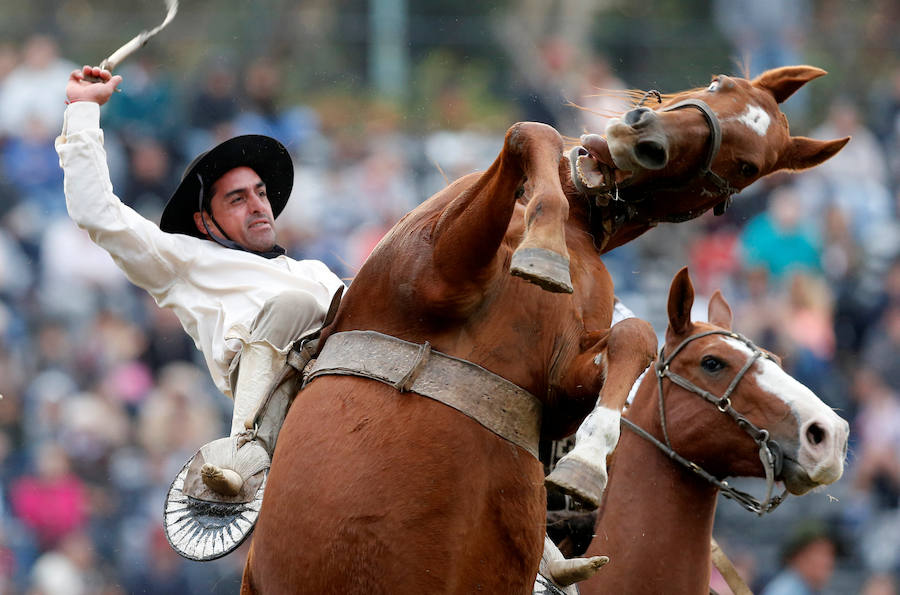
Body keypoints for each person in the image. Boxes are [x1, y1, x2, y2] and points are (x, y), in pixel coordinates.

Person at [56, 66, 345, 560]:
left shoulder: (316, 271)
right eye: (238, 199)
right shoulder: (186, 261)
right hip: (284, 400)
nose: (258, 205)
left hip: (346, 383)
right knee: (293, 305)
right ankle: (246, 455)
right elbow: (96, 212)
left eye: (260, 193)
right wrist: (83, 110)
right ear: (204, 220)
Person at [760, 521, 838, 595]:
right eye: (820, 553)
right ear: (798, 556)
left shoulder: (805, 588)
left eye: (831, 554)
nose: (828, 561)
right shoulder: (784, 591)